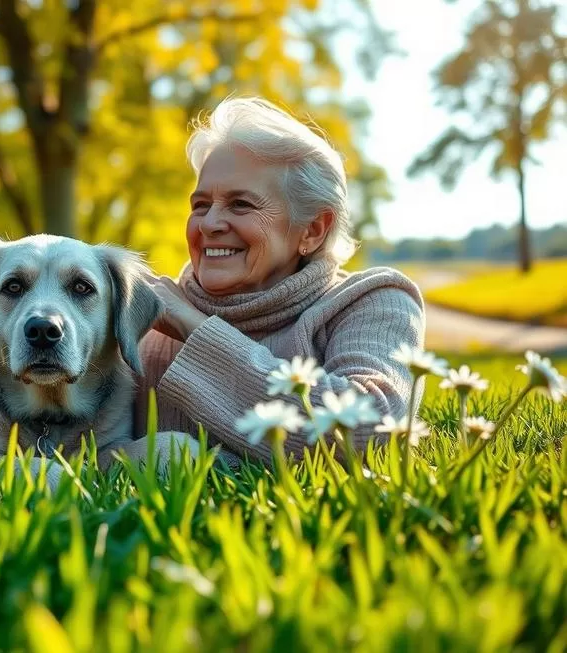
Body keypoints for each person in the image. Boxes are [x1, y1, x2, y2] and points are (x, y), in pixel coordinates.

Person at [138, 96, 426, 462]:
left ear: (313, 230)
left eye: (241, 204)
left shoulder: (374, 300)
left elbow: (373, 429)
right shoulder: (147, 311)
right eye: (200, 205)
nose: (210, 224)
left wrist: (194, 328)